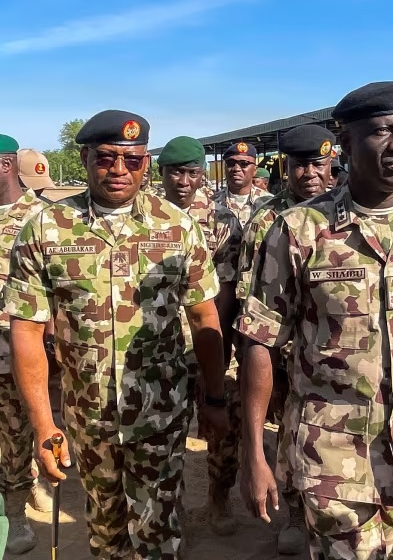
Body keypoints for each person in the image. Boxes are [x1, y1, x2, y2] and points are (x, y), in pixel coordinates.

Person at [236, 81, 393, 559]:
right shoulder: (300, 228)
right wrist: (254, 452)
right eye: (382, 131)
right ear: (345, 143)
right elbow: (259, 340)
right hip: (330, 450)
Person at [5, 110, 229, 559]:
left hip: (160, 414)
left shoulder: (177, 226)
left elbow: (205, 320)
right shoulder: (46, 229)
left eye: (134, 160)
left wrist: (217, 399)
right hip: (89, 416)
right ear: (85, 158)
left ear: (147, 162)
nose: (120, 171)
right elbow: (27, 332)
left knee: (158, 527)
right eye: (107, 158)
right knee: (105, 529)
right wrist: (44, 423)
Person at [236, 123, 335, 555]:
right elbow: (249, 296)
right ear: (285, 166)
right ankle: (296, 514)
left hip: (334, 358)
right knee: (290, 437)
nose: (309, 172)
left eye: (318, 162)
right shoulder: (266, 220)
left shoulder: (345, 212)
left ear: (332, 163)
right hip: (283, 355)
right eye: (299, 164)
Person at [157, 136, 244, 536]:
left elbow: (224, 291)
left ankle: (219, 497)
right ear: (162, 173)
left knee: (222, 429)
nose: (185, 181)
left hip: (207, 341)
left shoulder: (223, 220)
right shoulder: (145, 217)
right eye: (176, 171)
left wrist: (220, 345)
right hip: (158, 350)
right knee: (163, 437)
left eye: (193, 172)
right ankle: (170, 510)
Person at [0, 137, 51, 554]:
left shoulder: (39, 218)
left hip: (16, 351)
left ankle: (17, 516)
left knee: (17, 434)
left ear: (4, 165)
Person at [212, 142, 272, 227]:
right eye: (231, 163)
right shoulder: (211, 203)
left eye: (244, 164)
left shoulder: (269, 203)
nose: (236, 169)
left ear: (254, 170)